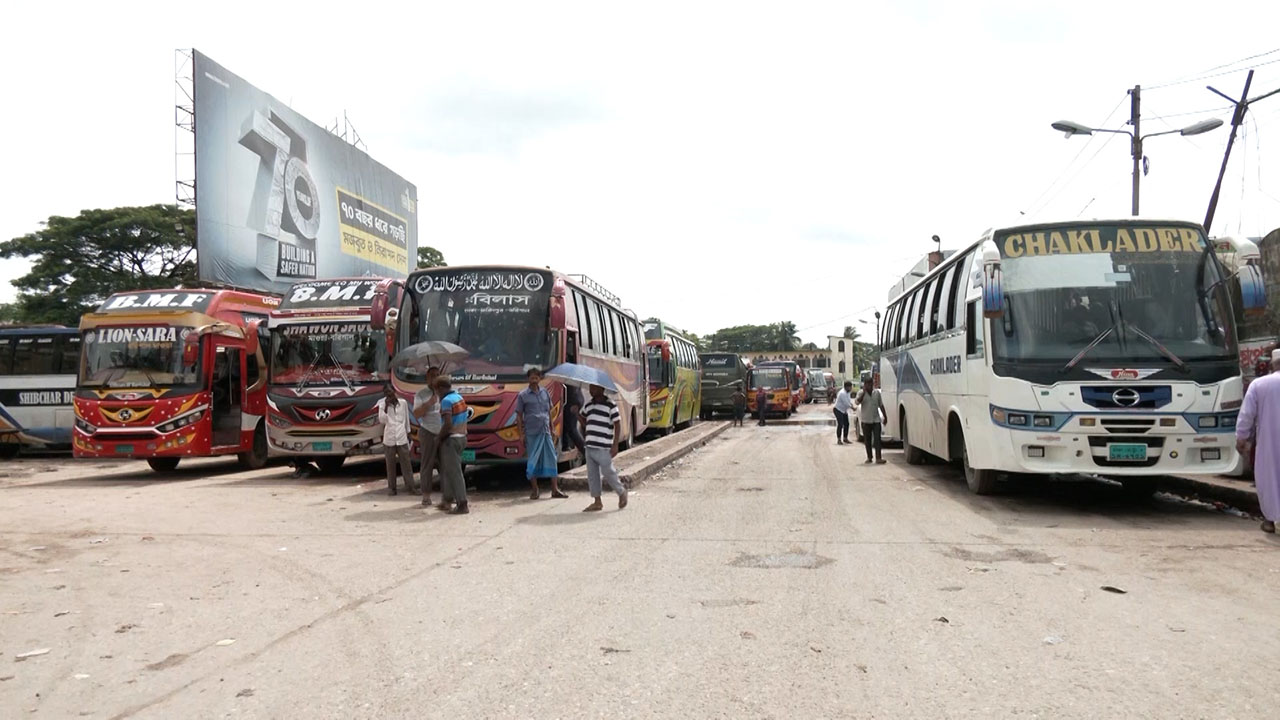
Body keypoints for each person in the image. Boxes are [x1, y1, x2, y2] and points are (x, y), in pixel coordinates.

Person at [1235, 348, 1280, 534]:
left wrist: (1242, 438)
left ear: (1272, 364)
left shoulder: (1259, 385)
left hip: (1269, 442)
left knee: (1269, 478)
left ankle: (1269, 520)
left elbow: (1246, 415)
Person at [515, 368, 568, 500]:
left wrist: (553, 428)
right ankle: (535, 490)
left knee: (552, 458)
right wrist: (521, 434)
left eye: (536, 377)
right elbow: (519, 416)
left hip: (545, 432)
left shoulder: (545, 393)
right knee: (533, 460)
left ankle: (555, 489)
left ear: (540, 379)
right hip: (531, 433)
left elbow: (548, 412)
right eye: (531, 377)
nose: (534, 380)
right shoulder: (522, 395)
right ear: (528, 379)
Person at [579, 383, 629, 512]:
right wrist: (577, 415)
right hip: (590, 445)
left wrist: (615, 444)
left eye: (594, 388)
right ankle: (597, 501)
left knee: (608, 471)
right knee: (592, 475)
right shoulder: (588, 405)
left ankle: (621, 491)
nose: (591, 391)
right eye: (590, 388)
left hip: (603, 446)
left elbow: (617, 424)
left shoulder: (610, 405)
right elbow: (585, 421)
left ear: (601, 389)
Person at [436, 376, 471, 514]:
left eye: (437, 390)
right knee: (448, 470)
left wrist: (439, 438)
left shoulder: (446, 401)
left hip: (451, 439)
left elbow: (448, 424)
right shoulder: (459, 397)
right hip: (462, 437)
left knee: (455, 473)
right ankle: (447, 500)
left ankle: (462, 503)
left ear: (440, 388)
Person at [376, 383, 416, 495]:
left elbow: (407, 420)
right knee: (390, 465)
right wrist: (384, 408)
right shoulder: (382, 404)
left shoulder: (402, 403)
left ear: (394, 391)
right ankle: (392, 488)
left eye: (390, 392)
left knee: (406, 464)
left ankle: (411, 487)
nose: (389, 395)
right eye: (386, 393)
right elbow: (382, 420)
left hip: (401, 437)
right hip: (389, 438)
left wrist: (409, 434)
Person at [412, 366, 443, 506]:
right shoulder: (421, 394)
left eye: (437, 375)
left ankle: (448, 496)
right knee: (427, 465)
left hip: (443, 433)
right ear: (427, 378)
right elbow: (417, 414)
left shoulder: (445, 392)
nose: (435, 378)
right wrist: (429, 403)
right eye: (432, 376)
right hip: (428, 431)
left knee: (446, 465)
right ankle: (426, 496)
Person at [855, 377, 888, 464]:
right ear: (865, 385)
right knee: (867, 440)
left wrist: (885, 416)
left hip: (876, 420)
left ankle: (878, 458)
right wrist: (864, 393)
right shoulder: (861, 393)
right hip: (866, 421)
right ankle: (869, 457)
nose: (870, 386)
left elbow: (881, 405)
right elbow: (857, 402)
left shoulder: (876, 393)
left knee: (877, 439)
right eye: (868, 384)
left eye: (871, 384)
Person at [563, 384, 587, 456]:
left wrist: (574, 403)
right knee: (566, 425)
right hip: (575, 399)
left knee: (572, 429)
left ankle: (587, 453)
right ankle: (565, 445)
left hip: (573, 400)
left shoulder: (566, 374)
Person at [833, 381, 855, 445]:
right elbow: (846, 403)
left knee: (847, 424)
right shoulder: (842, 393)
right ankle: (839, 439)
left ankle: (845, 438)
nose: (851, 388)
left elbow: (849, 401)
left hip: (843, 410)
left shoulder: (848, 392)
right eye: (850, 387)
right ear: (846, 387)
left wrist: (852, 405)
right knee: (840, 424)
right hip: (838, 409)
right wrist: (853, 408)